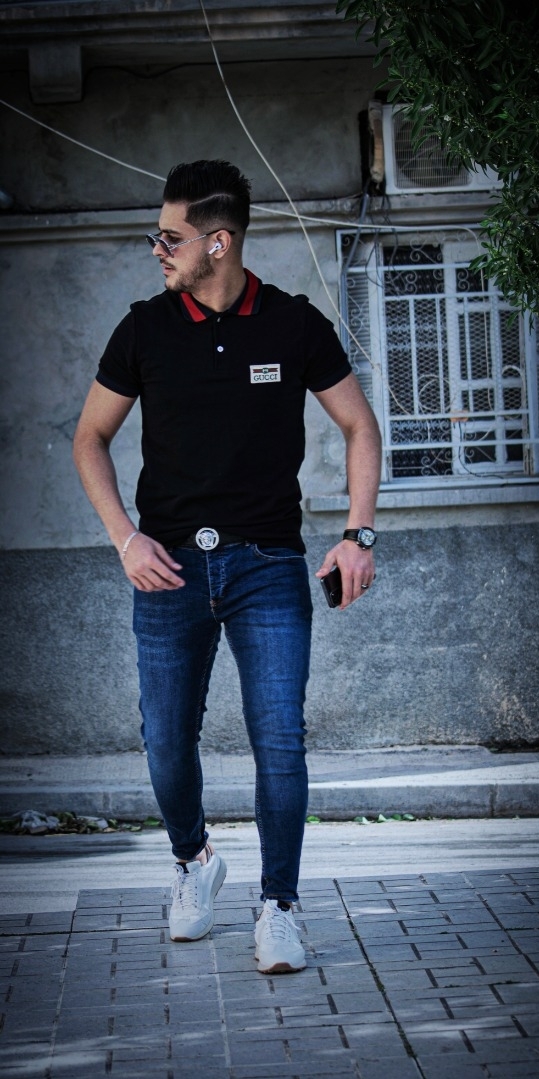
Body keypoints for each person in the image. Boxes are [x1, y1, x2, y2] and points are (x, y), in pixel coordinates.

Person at [73, 159, 381, 975]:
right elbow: (90, 438)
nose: (156, 249)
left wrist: (358, 535)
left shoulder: (292, 325)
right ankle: (194, 860)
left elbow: (359, 426)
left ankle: (279, 907)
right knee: (165, 743)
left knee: (279, 737)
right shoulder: (144, 329)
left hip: (267, 566)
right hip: (167, 570)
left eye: (169, 238)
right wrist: (126, 539)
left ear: (219, 242)